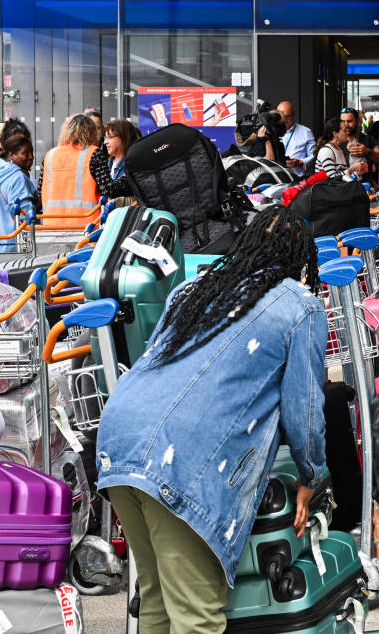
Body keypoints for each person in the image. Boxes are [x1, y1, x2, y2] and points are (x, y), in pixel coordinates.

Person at [96, 206, 329, 632]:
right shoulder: (300, 306)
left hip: (119, 436)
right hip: (179, 458)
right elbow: (306, 408)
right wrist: (311, 478)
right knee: (196, 615)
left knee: (158, 599)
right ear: (301, 258)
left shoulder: (192, 288)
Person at [41, 113, 101, 227]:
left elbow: (41, 190)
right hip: (87, 226)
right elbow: (107, 189)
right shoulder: (94, 153)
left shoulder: (51, 155)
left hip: (52, 225)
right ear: (91, 133)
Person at [90, 119, 142, 200]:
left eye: (109, 137)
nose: (105, 142)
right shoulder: (107, 164)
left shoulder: (133, 167)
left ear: (123, 138)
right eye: (105, 138)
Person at [339, 107, 379, 179]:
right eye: (343, 121)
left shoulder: (368, 139)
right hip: (343, 186)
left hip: (366, 186)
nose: (346, 124)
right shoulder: (337, 141)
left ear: (358, 121)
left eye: (349, 121)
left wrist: (367, 151)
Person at [276, 101, 316, 178]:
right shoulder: (270, 131)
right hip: (275, 177)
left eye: (287, 117)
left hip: (296, 179)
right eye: (281, 116)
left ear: (293, 114)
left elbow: (314, 157)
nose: (284, 120)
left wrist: (299, 162)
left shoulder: (305, 132)